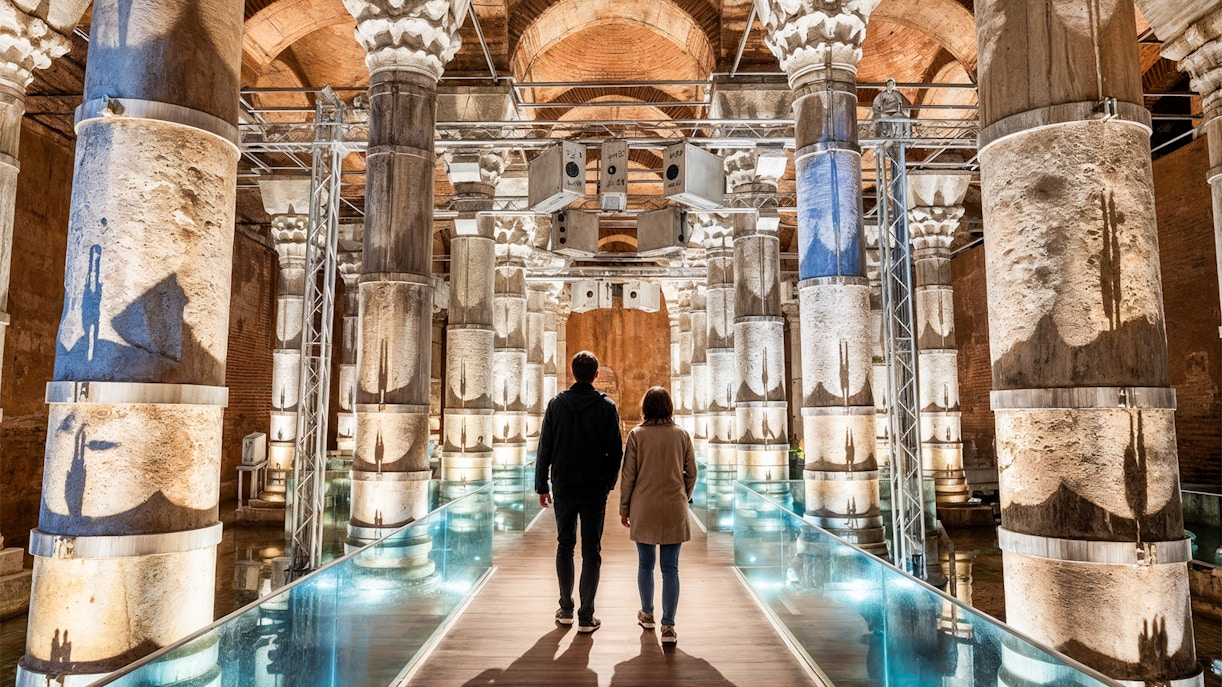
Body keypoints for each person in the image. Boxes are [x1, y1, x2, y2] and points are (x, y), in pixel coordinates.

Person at [535, 350, 623, 634]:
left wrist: (542, 485)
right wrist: (608, 483)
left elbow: (544, 448)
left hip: (563, 485)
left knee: (564, 544)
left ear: (573, 372)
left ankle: (565, 608)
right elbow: (615, 452)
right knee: (591, 550)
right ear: (595, 376)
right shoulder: (606, 406)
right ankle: (586, 615)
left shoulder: (556, 405)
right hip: (594, 487)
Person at [618, 386, 697, 646]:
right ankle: (669, 626)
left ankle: (648, 613)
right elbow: (692, 472)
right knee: (671, 568)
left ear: (646, 408)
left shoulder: (636, 435)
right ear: (669, 407)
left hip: (644, 506)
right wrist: (683, 494)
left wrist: (625, 507)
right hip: (674, 506)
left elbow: (628, 475)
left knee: (645, 564)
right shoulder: (682, 435)